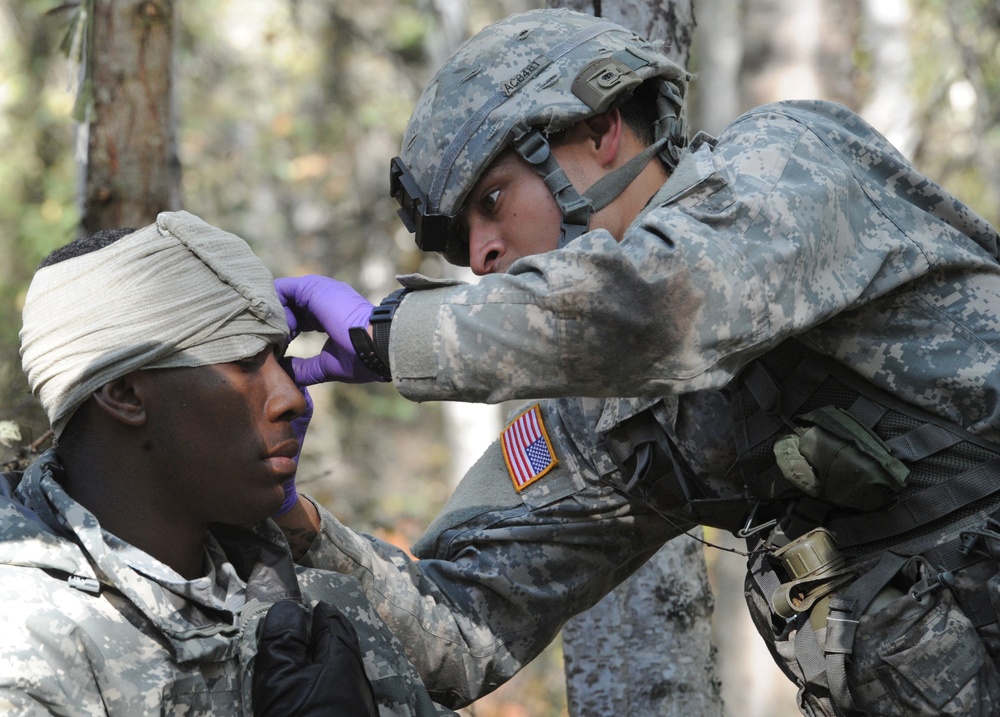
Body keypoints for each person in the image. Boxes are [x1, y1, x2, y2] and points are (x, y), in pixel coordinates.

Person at [276, 8, 1000, 716]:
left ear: (602, 130)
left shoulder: (789, 161)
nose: (481, 254)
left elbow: (663, 304)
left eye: (493, 201)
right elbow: (459, 627)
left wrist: (392, 336)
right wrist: (287, 516)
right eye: (463, 242)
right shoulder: (615, 421)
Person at [0, 210, 453, 716]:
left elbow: (466, 642)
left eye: (279, 359)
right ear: (124, 393)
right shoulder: (31, 648)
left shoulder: (304, 593)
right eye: (242, 362)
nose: (294, 398)